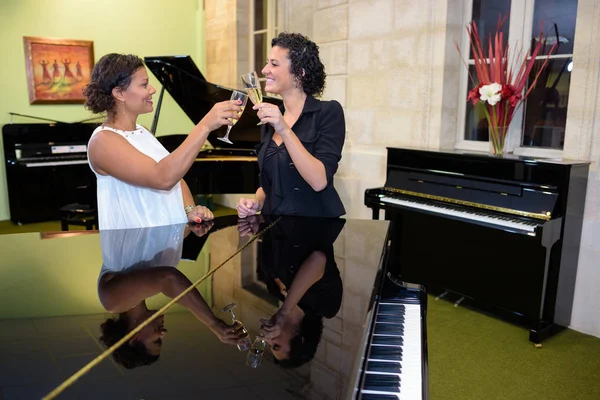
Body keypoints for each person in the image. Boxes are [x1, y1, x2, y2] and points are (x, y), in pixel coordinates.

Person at [84, 53, 242, 229]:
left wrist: (189, 209)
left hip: (164, 241)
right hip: (136, 245)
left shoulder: (143, 131)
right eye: (144, 85)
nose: (152, 89)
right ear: (119, 93)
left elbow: (175, 174)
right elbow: (162, 177)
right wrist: (204, 126)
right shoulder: (104, 141)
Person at [98, 223, 246, 369]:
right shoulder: (146, 290)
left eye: (157, 341)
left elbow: (169, 278)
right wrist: (192, 220)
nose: (163, 334)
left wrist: (213, 323)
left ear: (133, 339)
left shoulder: (112, 301)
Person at [237, 32, 346, 219]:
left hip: (314, 229)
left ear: (299, 72)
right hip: (273, 229)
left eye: (274, 64)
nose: (264, 70)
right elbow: (269, 183)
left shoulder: (328, 112)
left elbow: (319, 181)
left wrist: (284, 129)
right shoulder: (270, 119)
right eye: (267, 62)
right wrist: (257, 201)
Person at [255, 216, 345, 368]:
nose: (268, 340)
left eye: (270, 346)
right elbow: (318, 259)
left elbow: (269, 237)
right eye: (275, 345)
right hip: (307, 209)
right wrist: (284, 312)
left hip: (276, 210)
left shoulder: (273, 290)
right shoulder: (325, 305)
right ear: (298, 336)